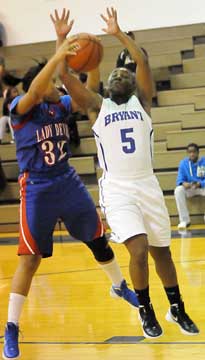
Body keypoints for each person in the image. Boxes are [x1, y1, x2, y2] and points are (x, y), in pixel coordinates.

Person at [55, 7, 199, 339]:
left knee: (162, 251)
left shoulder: (142, 103)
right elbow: (64, 77)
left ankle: (176, 308)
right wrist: (62, 40)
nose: (120, 75)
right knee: (138, 249)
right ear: (107, 84)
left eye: (125, 73)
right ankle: (146, 309)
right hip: (118, 190)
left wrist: (118, 34)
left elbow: (143, 61)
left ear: (133, 83)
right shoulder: (96, 106)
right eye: (114, 74)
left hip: (147, 186)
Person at [2, 13, 138, 359]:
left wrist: (95, 59)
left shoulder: (58, 106)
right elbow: (35, 88)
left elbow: (89, 92)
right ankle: (11, 328)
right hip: (36, 189)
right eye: (51, 84)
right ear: (42, 84)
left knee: (97, 239)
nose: (56, 89)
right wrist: (59, 49)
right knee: (30, 261)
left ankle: (119, 287)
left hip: (67, 181)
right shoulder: (21, 107)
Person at [175, 143, 205, 230]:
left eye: (194, 152)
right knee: (178, 190)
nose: (192, 154)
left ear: (198, 153)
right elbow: (179, 179)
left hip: (202, 187)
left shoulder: (204, 162)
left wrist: (201, 183)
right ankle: (184, 220)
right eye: (190, 152)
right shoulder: (183, 163)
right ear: (187, 153)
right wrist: (183, 183)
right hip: (190, 188)